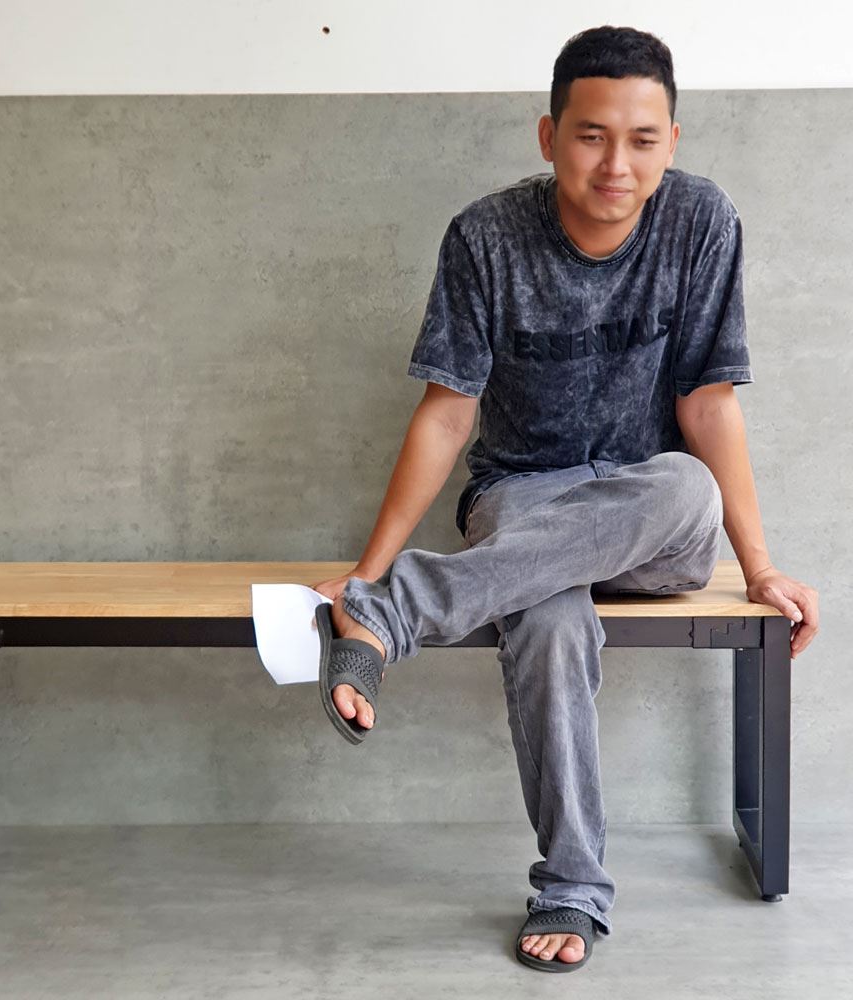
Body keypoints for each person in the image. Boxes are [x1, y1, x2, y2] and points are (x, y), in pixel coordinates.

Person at [311, 24, 819, 973]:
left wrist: (759, 567)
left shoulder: (702, 222)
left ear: (671, 141)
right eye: (591, 136)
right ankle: (571, 888)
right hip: (523, 501)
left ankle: (397, 611)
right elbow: (447, 416)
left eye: (642, 140)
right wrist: (361, 567)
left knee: (686, 480)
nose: (616, 165)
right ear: (550, 137)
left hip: (651, 512)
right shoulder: (485, 237)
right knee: (545, 614)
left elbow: (708, 406)